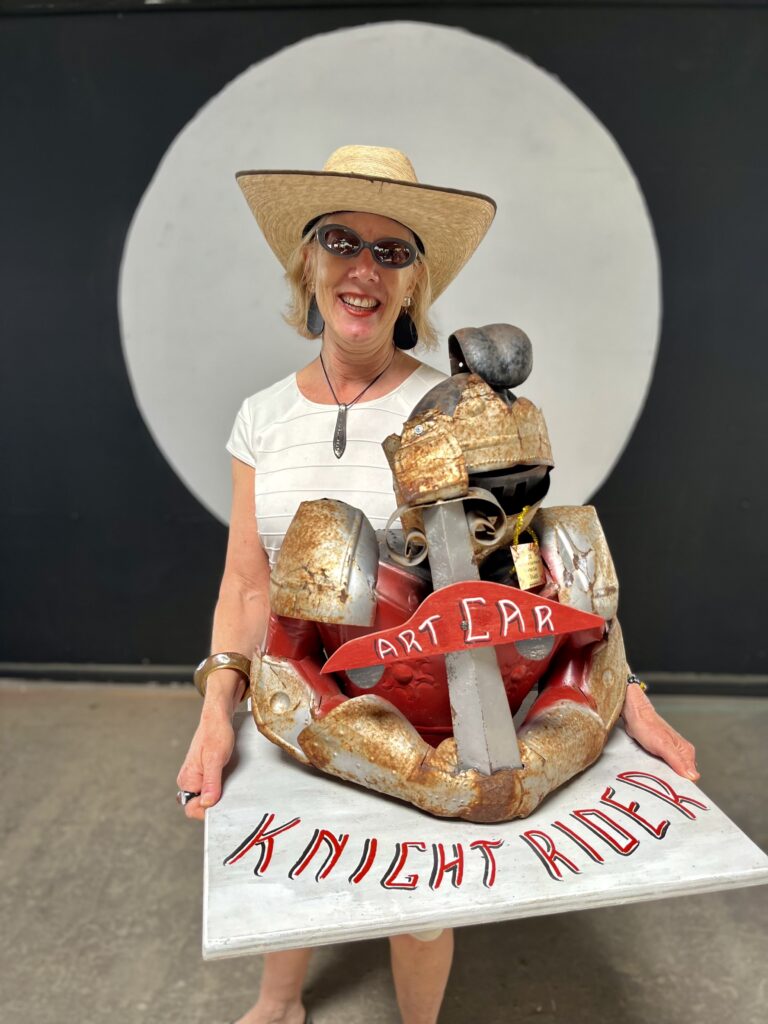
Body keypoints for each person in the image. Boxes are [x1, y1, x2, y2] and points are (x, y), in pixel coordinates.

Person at [176, 145, 698, 1024]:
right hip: (316, 684)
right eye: (341, 240)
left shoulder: (461, 413)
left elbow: (537, 565)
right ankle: (280, 1003)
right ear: (307, 261)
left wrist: (627, 692)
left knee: (423, 908)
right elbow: (245, 580)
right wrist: (213, 716)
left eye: (393, 251)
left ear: (415, 283)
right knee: (290, 853)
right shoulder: (260, 417)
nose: (364, 270)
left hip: (444, 701)